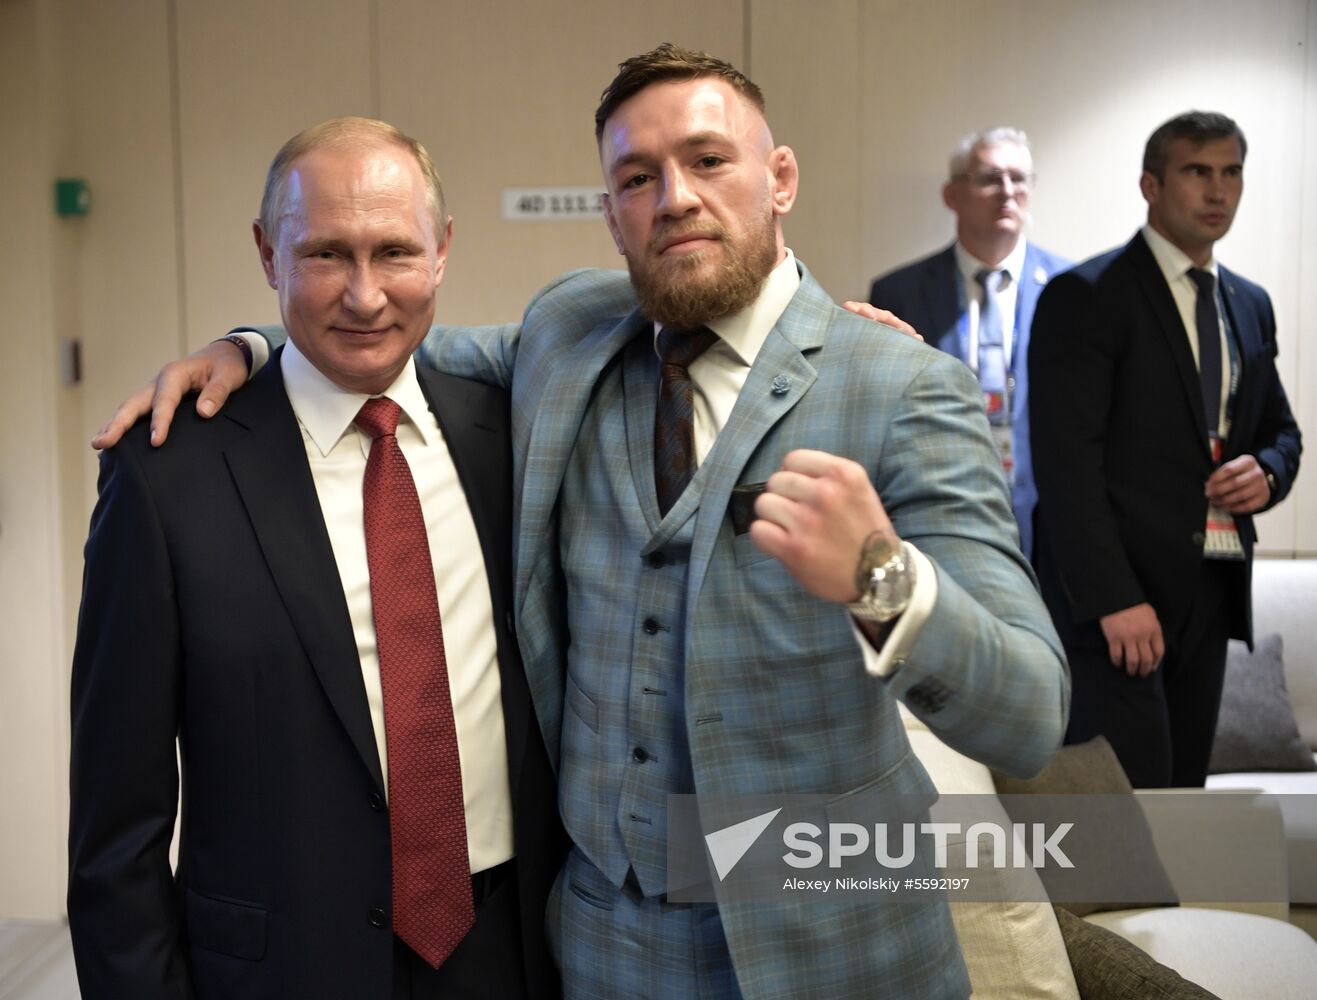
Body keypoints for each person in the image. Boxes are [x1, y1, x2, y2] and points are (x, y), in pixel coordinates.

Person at [95, 46, 1068, 1000]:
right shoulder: (571, 335)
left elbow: (1027, 714)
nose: (674, 196)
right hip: (601, 951)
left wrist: (877, 576)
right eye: (637, 177)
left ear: (780, 179)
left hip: (829, 946)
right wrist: (250, 345)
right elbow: (382, 337)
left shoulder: (902, 388)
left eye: (708, 160)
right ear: (611, 214)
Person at [67, 118, 564, 999]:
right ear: (268, 254)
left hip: (508, 954)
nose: (365, 296)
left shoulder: (514, 435)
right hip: (277, 969)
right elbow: (118, 826)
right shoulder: (165, 476)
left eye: (395, 252)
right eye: (327, 254)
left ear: (442, 251)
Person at [1029, 111, 1301, 789]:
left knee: (1184, 798)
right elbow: (1066, 467)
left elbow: (1281, 431)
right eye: (1196, 172)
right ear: (1150, 184)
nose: (1217, 191)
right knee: (1126, 811)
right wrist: (1113, 599)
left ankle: (1182, 906)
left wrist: (1266, 472)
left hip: (1208, 591)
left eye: (1230, 172)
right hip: (1116, 603)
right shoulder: (1085, 296)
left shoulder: (1248, 303)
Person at [868, 128, 1069, 559]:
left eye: (1019, 179)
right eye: (990, 178)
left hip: (1053, 519)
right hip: (940, 511)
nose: (1007, 192)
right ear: (952, 195)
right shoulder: (900, 293)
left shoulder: (1070, 289)